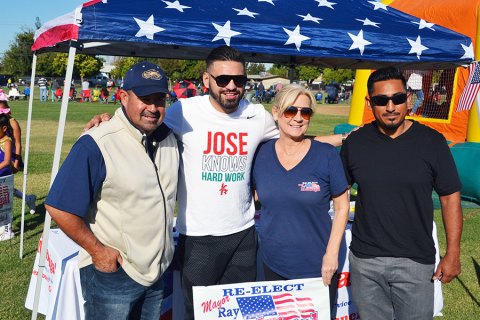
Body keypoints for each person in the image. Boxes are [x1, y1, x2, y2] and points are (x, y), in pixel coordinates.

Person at [85, 45, 347, 320]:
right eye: (223, 79)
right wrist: (107, 120)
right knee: (198, 314)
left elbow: (296, 137)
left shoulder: (256, 115)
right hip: (199, 237)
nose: (232, 86)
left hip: (243, 235)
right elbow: (142, 123)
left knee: (240, 314)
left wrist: (344, 138)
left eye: (239, 80)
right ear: (206, 79)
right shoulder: (183, 111)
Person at [44, 61, 179, 319]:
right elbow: (58, 206)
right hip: (113, 274)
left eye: (159, 99)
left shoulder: (169, 138)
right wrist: (99, 252)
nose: (153, 107)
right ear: (123, 97)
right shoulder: (97, 142)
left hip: (156, 272)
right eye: (144, 98)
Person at [340, 67, 463, 320]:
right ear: (369, 103)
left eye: (397, 98)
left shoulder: (432, 142)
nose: (390, 107)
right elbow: (338, 193)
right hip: (366, 261)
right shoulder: (356, 143)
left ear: (408, 98)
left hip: (416, 262)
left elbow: (450, 199)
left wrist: (452, 254)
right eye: (381, 100)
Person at [252, 84, 350, 315]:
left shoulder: (326, 155)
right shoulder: (261, 154)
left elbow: (342, 206)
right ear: (276, 113)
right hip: (273, 262)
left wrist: (331, 254)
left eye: (304, 112)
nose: (297, 118)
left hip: (317, 266)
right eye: (290, 111)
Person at [0, 100, 37, 214]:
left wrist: (16, 163)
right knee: (4, 186)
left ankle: (28, 198)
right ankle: (28, 198)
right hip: (2, 152)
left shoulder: (12, 122)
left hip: (11, 154)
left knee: (4, 185)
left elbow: (18, 144)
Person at [0, 114, 15, 241]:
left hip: (4, 176)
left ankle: (8, 230)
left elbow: (6, 161)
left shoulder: (7, 142)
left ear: (4, 128)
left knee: (5, 204)